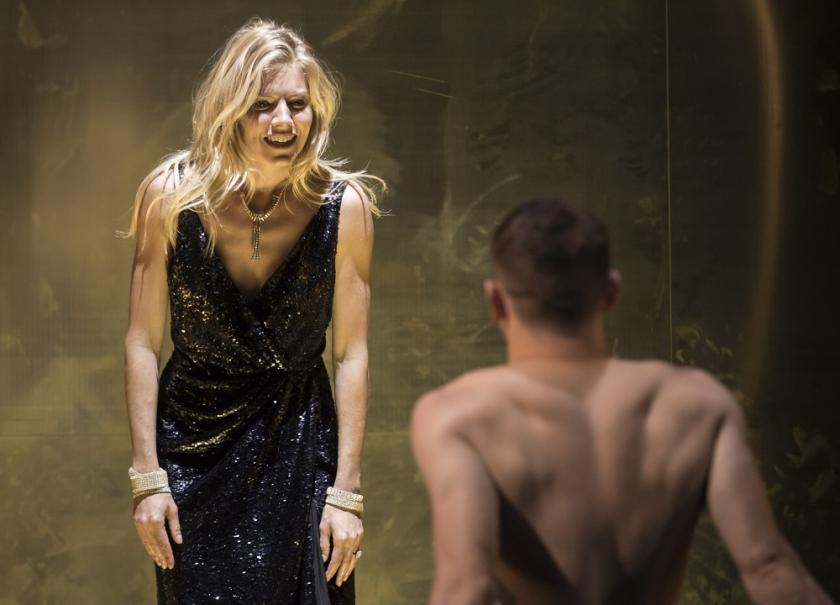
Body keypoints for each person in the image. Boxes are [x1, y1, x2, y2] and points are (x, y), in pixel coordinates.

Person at [411, 199, 833, 605]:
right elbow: (770, 569)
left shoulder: (458, 416)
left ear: (495, 301)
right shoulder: (697, 404)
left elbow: (465, 588)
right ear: (611, 291)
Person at [122, 18, 381, 604]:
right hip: (194, 453)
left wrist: (347, 493)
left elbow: (351, 353)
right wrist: (147, 479)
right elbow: (141, 342)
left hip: (302, 444)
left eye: (298, 104)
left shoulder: (345, 206)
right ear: (229, 110)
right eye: (263, 105)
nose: (284, 120)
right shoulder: (169, 197)